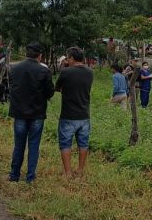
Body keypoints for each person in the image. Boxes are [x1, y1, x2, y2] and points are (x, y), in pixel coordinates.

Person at [8, 43, 54, 183]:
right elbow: (50, 92)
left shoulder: (14, 69)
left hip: (19, 112)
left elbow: (12, 88)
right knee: (34, 145)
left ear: (26, 54)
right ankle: (30, 177)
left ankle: (14, 175)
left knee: (19, 144)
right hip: (37, 112)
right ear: (40, 56)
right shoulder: (44, 71)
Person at [55, 47, 93, 177]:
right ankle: (80, 170)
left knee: (65, 144)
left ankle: (68, 172)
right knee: (83, 144)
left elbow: (57, 87)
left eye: (68, 58)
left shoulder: (66, 72)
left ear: (71, 58)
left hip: (68, 114)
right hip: (84, 114)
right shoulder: (90, 72)